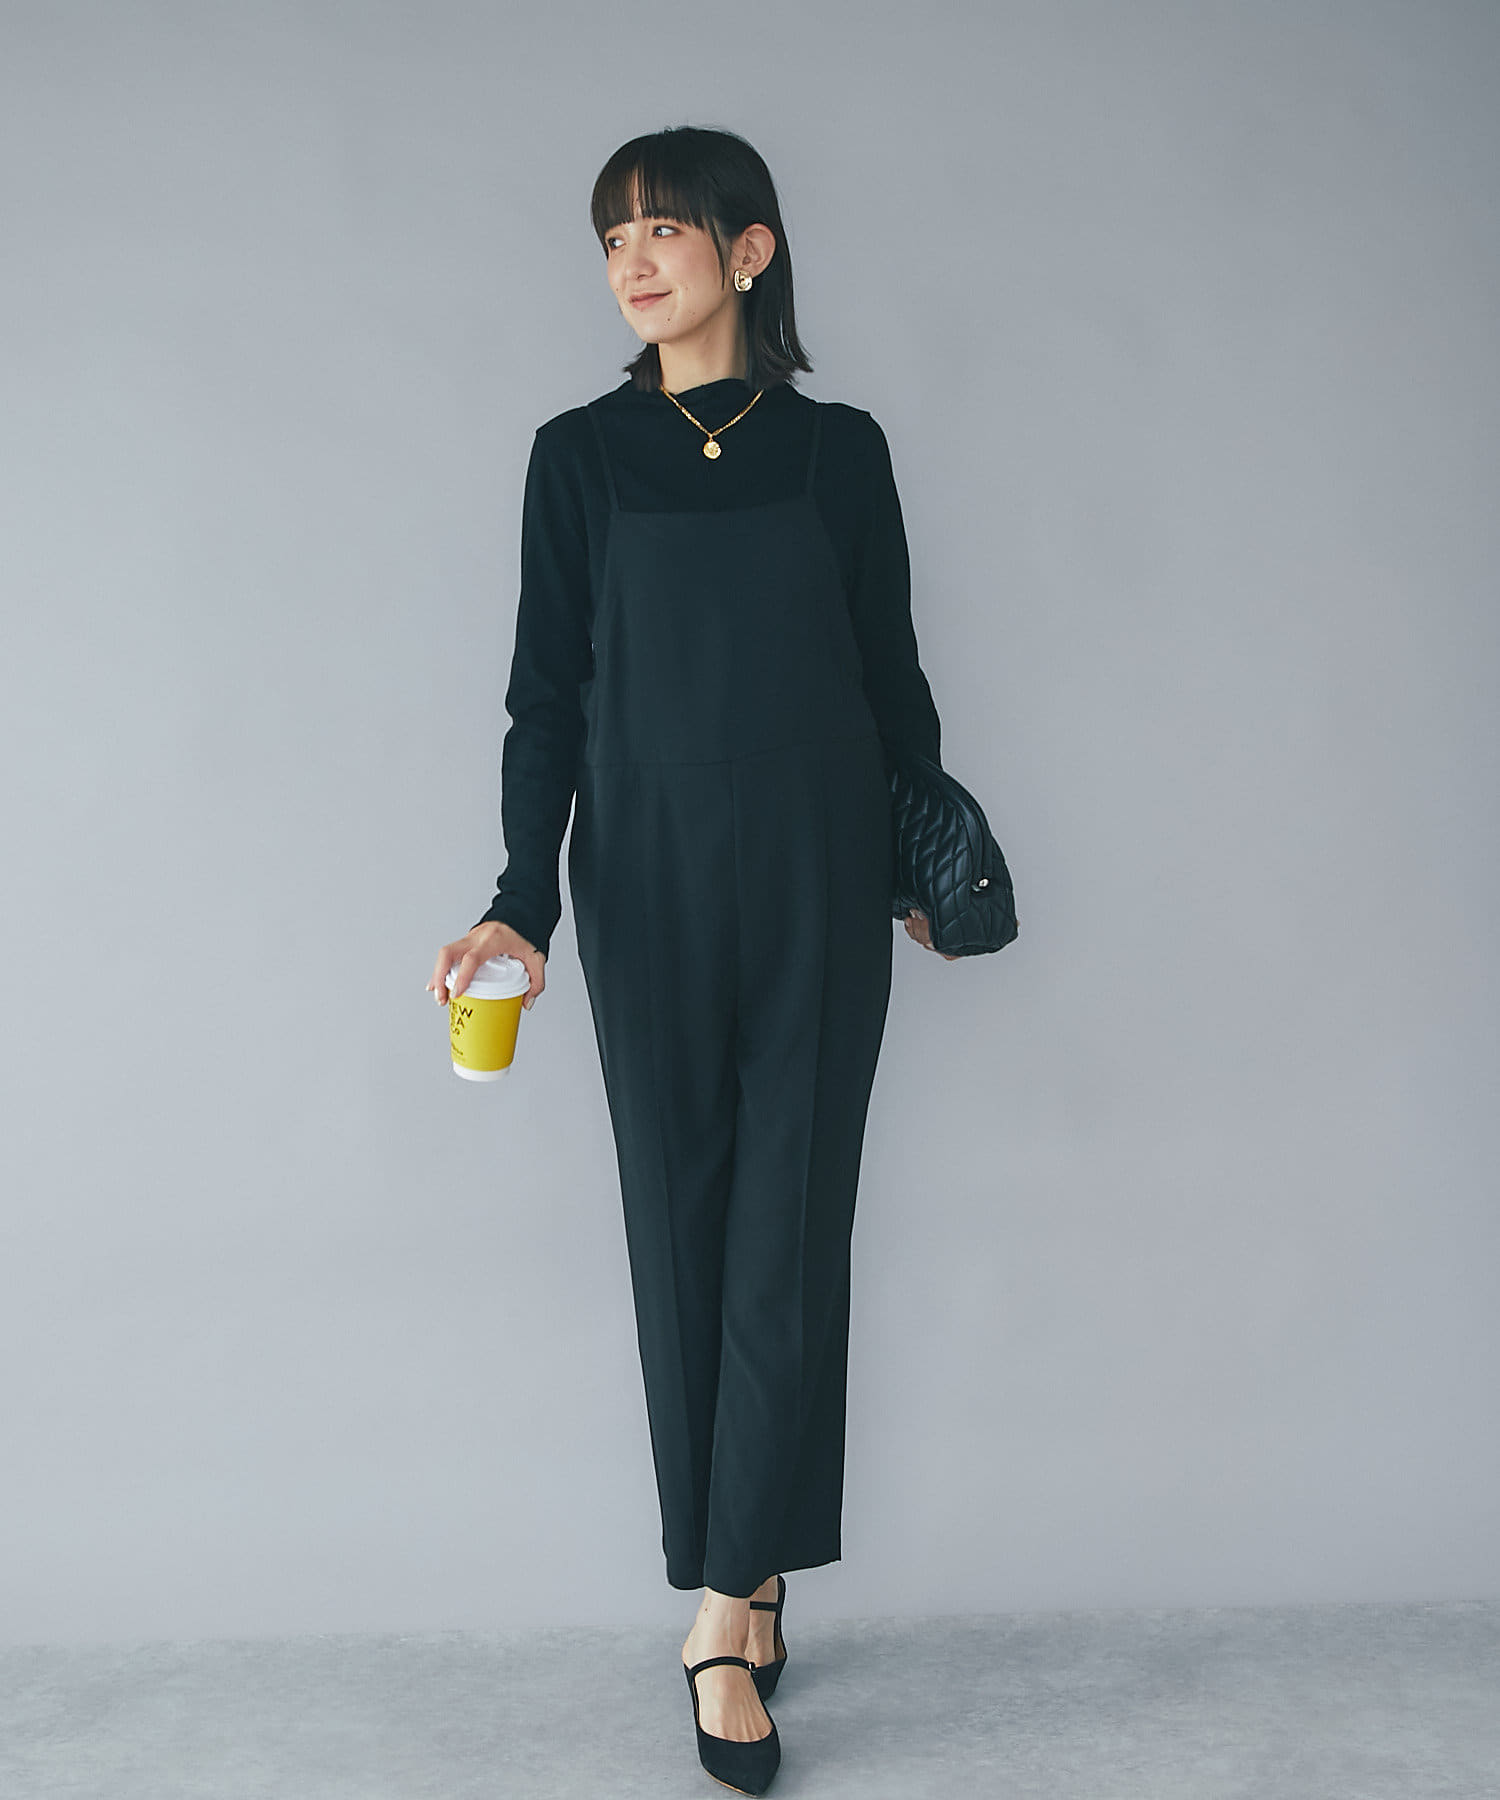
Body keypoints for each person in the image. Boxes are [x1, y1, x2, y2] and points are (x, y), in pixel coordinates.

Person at [427, 124, 958, 1794]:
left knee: (789, 1234)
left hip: (818, 870)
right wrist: (521, 899)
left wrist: (920, 854)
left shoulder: (840, 451)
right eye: (613, 239)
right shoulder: (579, 459)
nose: (635, 262)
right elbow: (545, 698)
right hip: (646, 879)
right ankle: (744, 1564)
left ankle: (726, 1611)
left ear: (751, 250)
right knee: (684, 1232)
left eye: (664, 229)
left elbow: (888, 669)